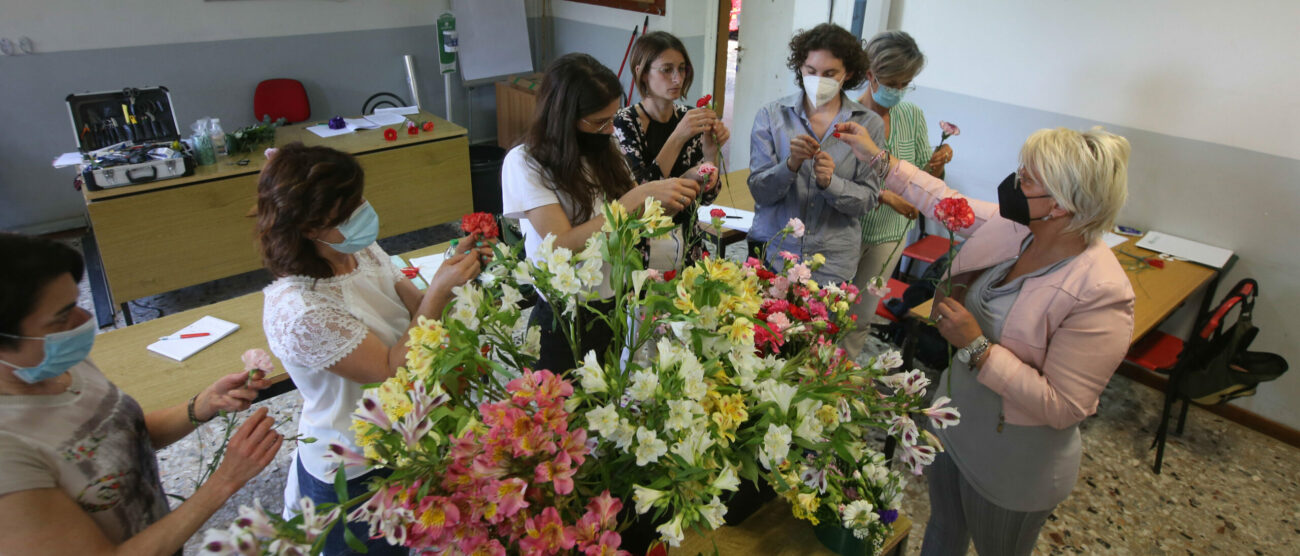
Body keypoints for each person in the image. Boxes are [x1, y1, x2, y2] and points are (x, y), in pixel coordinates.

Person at [835, 121, 1135, 555]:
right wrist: (875, 157)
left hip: (1015, 461)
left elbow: (1066, 405)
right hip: (956, 427)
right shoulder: (1016, 229)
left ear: (1061, 204)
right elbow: (943, 202)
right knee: (942, 532)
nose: (1014, 182)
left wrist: (977, 348)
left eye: (1028, 178)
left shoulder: (1100, 292)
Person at [256, 143, 488, 555]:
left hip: (408, 432)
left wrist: (454, 272)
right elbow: (390, 368)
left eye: (361, 199)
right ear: (309, 228)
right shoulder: (301, 310)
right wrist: (438, 294)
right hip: (356, 462)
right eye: (349, 211)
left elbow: (415, 308)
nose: (364, 212)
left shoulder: (356, 248)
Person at [0, 233, 282, 555]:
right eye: (62, 317)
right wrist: (226, 481)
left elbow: (117, 437)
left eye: (77, 303)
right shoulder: (7, 455)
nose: (85, 320)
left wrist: (200, 406)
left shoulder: (59, 363)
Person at [502, 53, 701, 373]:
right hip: (563, 315)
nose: (611, 130)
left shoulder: (603, 150)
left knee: (607, 410)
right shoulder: (525, 162)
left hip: (614, 305)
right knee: (559, 414)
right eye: (599, 122)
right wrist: (638, 197)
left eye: (612, 118)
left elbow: (626, 222)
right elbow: (562, 243)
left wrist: (668, 197)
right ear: (563, 118)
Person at [747, 23, 885, 285]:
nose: (819, 80)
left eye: (830, 73)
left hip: (831, 263)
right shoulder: (772, 115)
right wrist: (790, 165)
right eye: (811, 71)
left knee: (822, 325)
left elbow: (867, 200)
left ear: (849, 74)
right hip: (775, 254)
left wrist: (830, 183)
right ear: (800, 67)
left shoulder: (868, 124)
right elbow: (759, 191)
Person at [843, 30, 953, 359]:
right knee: (827, 312)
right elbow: (836, 178)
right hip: (845, 230)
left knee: (861, 317)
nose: (898, 91)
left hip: (889, 235)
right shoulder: (846, 115)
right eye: (893, 82)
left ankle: (838, 381)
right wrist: (884, 196)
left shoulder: (911, 116)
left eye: (905, 83)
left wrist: (939, 163)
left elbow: (921, 177)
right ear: (870, 75)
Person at [613, 31, 732, 262]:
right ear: (642, 72)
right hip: (641, 247)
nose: (677, 79)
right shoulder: (624, 122)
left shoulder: (688, 116)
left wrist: (710, 153)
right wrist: (678, 137)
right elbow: (641, 193)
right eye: (667, 70)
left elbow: (707, 198)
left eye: (682, 68)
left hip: (687, 240)